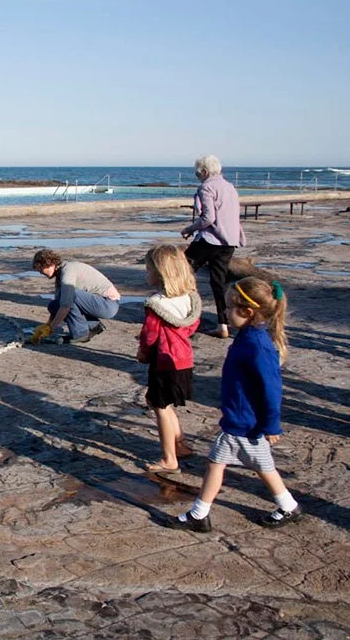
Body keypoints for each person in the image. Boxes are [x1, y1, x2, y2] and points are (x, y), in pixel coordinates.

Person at [172, 276, 300, 533]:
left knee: (228, 465)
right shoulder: (247, 338)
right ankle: (287, 505)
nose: (225, 311)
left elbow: (272, 390)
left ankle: (200, 513)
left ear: (248, 312)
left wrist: (272, 425)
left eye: (230, 307)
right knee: (248, 466)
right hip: (240, 421)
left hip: (244, 424)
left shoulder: (257, 345)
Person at [136, 245, 202, 474]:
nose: (146, 274)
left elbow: (150, 334)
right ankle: (180, 444)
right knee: (166, 403)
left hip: (164, 360)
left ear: (161, 272)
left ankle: (169, 459)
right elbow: (192, 325)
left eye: (149, 270)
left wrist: (143, 352)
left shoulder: (157, 304)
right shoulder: (189, 298)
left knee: (160, 406)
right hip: (184, 358)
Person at [181, 154, 246, 339]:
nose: (197, 176)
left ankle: (182, 314)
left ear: (204, 171)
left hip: (211, 239)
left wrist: (189, 229)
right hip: (229, 240)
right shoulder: (229, 187)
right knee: (219, 282)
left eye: (197, 172)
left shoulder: (207, 187)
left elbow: (208, 218)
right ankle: (223, 324)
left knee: (181, 271)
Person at [30, 249, 121, 344]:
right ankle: (93, 326)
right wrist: (48, 324)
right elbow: (59, 303)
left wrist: (51, 329)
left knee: (70, 295)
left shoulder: (67, 271)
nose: (40, 272)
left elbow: (65, 305)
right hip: (99, 303)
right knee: (54, 305)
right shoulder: (60, 273)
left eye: (41, 268)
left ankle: (80, 333)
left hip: (108, 304)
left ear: (50, 264)